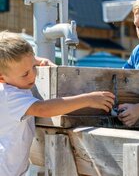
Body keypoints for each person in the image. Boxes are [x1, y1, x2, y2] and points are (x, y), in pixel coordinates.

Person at [0, 31, 115, 176]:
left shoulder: (13, 79)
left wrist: (43, 62)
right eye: (25, 74)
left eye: (33, 67)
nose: (33, 75)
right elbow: (43, 109)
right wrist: (88, 99)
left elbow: (29, 61)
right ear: (2, 78)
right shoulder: (9, 96)